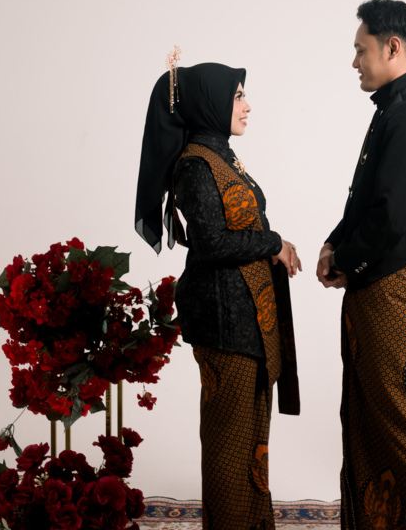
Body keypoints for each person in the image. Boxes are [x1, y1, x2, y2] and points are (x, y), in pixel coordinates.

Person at [135, 60, 301, 530]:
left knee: (251, 444)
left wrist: (270, 245)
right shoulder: (195, 164)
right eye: (238, 96)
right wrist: (273, 243)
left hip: (248, 318)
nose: (247, 106)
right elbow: (210, 243)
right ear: (209, 103)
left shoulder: (221, 156)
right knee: (230, 445)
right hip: (225, 321)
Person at [316, 0, 406, 530]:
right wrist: (334, 245)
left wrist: (345, 261)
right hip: (380, 282)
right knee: (367, 424)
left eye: (361, 49)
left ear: (392, 47)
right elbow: (370, 202)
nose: (354, 61)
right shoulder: (395, 109)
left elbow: (392, 216)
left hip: (394, 287)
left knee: (400, 426)